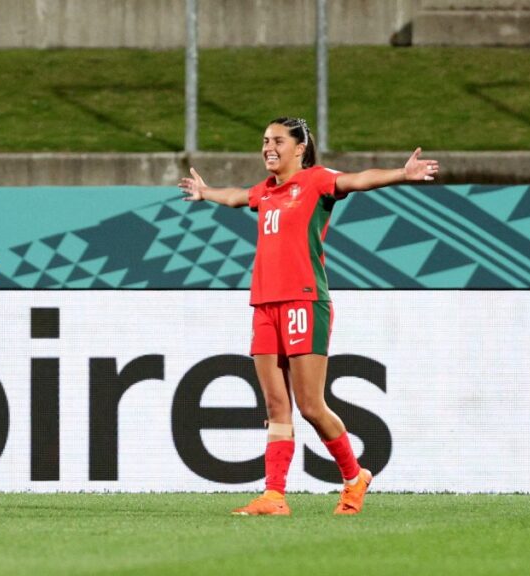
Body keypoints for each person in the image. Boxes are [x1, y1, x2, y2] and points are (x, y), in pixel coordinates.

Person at [180, 117, 439, 516]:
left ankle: (355, 478)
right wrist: (205, 192)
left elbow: (358, 179)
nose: (268, 147)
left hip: (305, 302)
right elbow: (235, 197)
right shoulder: (265, 191)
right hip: (264, 304)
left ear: (299, 148)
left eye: (277, 140)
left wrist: (401, 174)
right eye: (265, 140)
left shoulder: (317, 181)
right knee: (274, 404)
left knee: (311, 405)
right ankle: (274, 496)